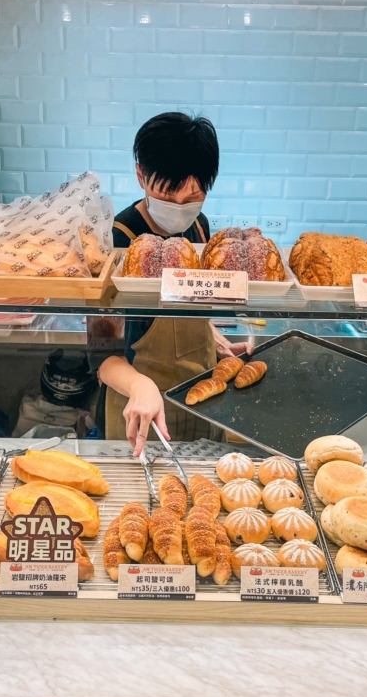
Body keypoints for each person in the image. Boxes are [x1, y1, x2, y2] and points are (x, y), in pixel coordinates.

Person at [94, 112, 251, 455]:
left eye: (193, 195)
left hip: (200, 401)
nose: (181, 207)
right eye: (167, 194)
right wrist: (139, 385)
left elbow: (185, 308)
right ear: (141, 175)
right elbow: (99, 356)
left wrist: (213, 342)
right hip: (139, 411)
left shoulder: (199, 228)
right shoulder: (120, 239)